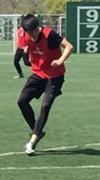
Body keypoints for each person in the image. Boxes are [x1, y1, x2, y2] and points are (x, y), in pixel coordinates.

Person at [17, 14, 73, 156]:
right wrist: (26, 56)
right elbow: (26, 57)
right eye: (31, 32)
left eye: (36, 30)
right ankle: (37, 130)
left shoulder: (50, 35)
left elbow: (69, 46)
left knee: (45, 106)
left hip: (55, 76)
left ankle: (32, 141)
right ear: (25, 31)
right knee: (22, 101)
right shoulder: (24, 37)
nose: (35, 34)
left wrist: (60, 60)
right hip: (38, 75)